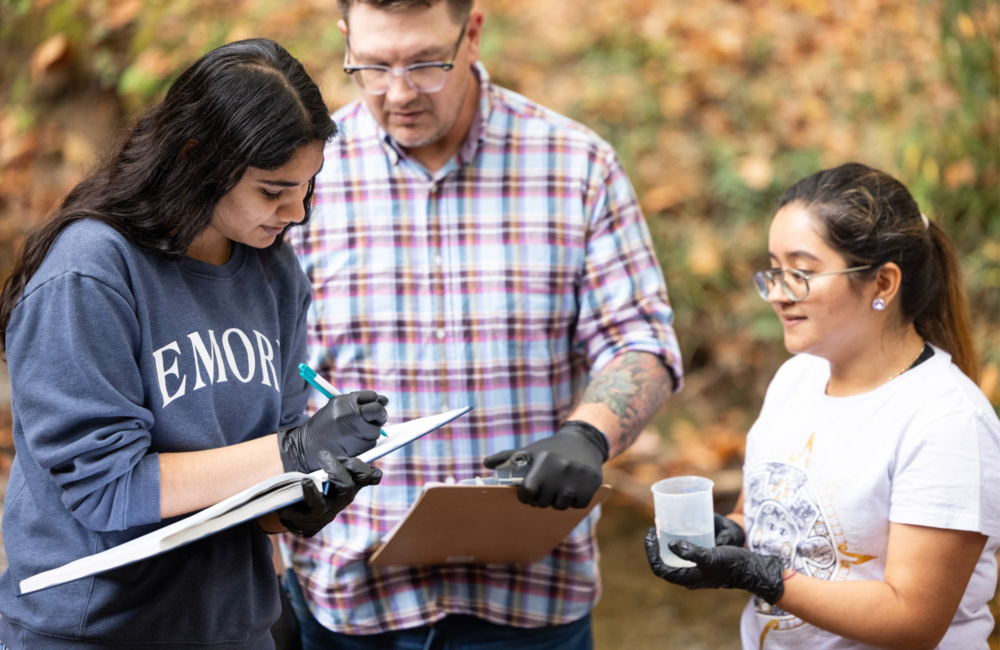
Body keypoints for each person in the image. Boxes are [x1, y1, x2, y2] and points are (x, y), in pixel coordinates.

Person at [279, 0, 683, 647]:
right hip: (349, 603)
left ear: (472, 33)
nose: (400, 92)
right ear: (345, 39)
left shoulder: (577, 166)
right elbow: (258, 371)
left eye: (426, 64)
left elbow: (642, 340)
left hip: (531, 605)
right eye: (374, 66)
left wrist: (589, 434)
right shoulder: (299, 178)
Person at [0, 38, 391, 649]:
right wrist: (290, 452)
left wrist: (298, 498)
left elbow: (252, 479)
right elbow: (107, 487)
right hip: (95, 633)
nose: (298, 212)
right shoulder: (91, 272)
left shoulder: (275, 274)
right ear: (196, 157)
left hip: (231, 627)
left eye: (307, 188)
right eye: (272, 190)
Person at [645, 162, 999, 649]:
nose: (776, 293)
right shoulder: (797, 377)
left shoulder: (947, 420)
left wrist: (764, 578)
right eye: (773, 269)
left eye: (802, 273)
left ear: (883, 284)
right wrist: (728, 535)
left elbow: (912, 620)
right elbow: (764, 517)